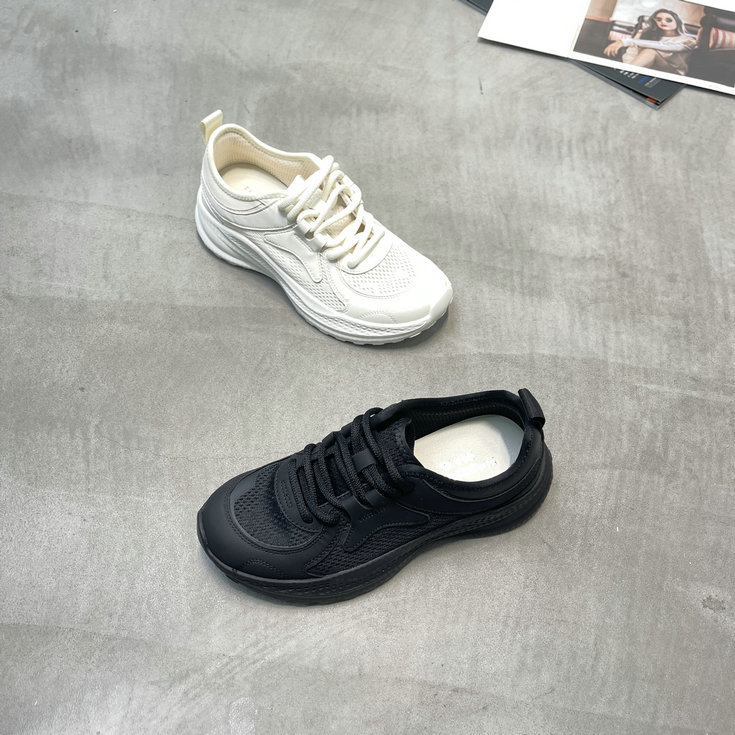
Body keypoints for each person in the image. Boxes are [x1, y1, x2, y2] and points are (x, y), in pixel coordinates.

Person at [603, 8, 696, 75]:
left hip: (672, 72)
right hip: (644, 68)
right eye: (658, 19)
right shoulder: (645, 34)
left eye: (669, 20)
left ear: (678, 22)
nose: (663, 22)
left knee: (650, 51)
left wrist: (625, 41)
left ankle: (621, 75)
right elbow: (631, 54)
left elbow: (665, 46)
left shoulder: (688, 40)